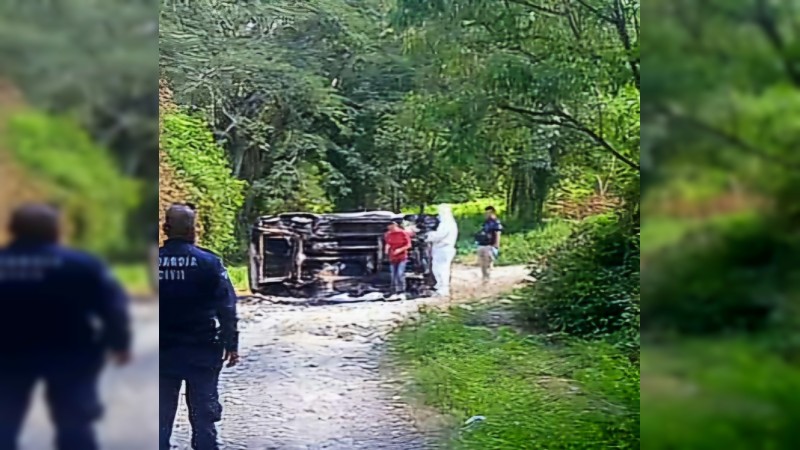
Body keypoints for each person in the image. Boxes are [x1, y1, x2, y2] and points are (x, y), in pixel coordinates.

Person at [0, 203, 132, 450]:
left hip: (7, 355)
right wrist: (120, 344)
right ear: (55, 232)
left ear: (12, 229)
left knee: (3, 422)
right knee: (75, 424)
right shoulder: (83, 264)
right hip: (70, 353)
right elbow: (113, 308)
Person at [159, 204, 239, 450]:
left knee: (158, 417)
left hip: (159, 351)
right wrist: (231, 344)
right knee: (204, 415)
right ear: (193, 230)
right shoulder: (209, 262)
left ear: (165, 229)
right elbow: (226, 307)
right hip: (201, 350)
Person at [426, 204, 458, 297]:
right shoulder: (450, 223)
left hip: (443, 248)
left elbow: (439, 235)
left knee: (441, 269)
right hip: (443, 248)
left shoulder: (446, 224)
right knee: (438, 268)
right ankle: (439, 286)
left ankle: (443, 288)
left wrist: (428, 235)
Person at [384, 219, 412, 300]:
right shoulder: (388, 234)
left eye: (391, 226)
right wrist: (386, 248)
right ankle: (394, 292)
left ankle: (402, 292)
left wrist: (400, 249)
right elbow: (388, 242)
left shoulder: (403, 233)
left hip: (402, 256)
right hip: (392, 256)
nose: (389, 228)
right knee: (393, 275)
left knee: (400, 274)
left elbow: (408, 245)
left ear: (395, 225)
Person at [475, 205, 503, 282]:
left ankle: (488, 278)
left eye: (488, 213)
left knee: (488, 262)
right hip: (483, 244)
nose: (486, 214)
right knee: (482, 263)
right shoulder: (486, 222)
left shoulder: (496, 223)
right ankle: (484, 277)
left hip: (490, 245)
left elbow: (497, 233)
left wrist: (496, 245)